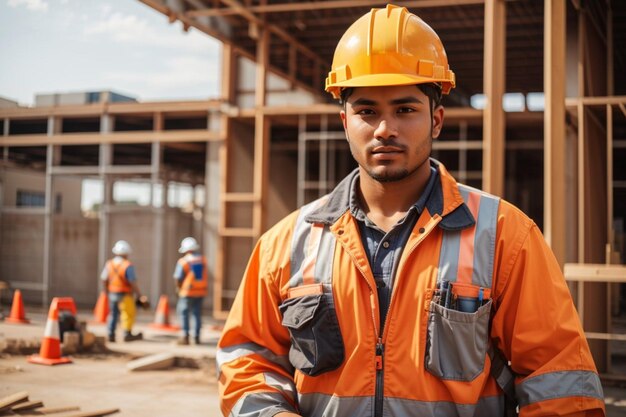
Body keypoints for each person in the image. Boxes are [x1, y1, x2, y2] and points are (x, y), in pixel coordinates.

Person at [217, 5, 605, 417]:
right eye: (367, 111)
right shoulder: (287, 243)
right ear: (345, 122)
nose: (385, 128)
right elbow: (248, 359)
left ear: (436, 120)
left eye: (404, 109)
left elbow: (560, 381)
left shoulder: (506, 236)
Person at [101, 240, 144, 342]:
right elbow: (132, 281)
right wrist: (139, 295)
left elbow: (104, 279)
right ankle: (126, 333)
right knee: (127, 313)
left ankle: (111, 334)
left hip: (112, 293)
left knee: (113, 314)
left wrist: (106, 290)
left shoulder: (109, 264)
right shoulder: (127, 265)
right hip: (125, 293)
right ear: (126, 253)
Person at [173, 237, 208, 345]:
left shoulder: (183, 261)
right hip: (200, 291)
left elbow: (178, 277)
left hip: (187, 292)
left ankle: (185, 336)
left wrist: (178, 288)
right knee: (196, 314)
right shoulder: (202, 259)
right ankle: (197, 337)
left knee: (183, 313)